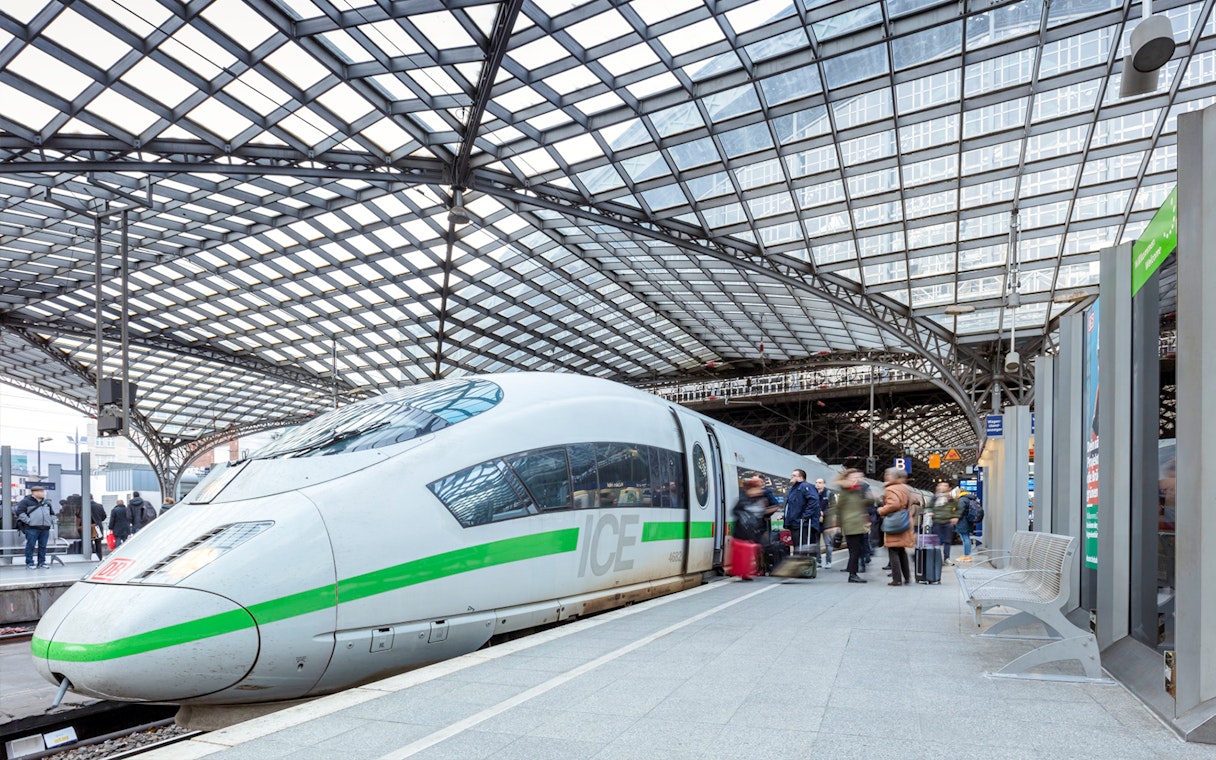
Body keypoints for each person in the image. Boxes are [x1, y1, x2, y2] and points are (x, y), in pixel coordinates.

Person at [826, 469, 871, 583]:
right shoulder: (845, 492)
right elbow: (838, 508)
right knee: (855, 551)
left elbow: (862, 504)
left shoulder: (856, 491)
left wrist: (870, 497)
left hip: (857, 524)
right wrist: (834, 525)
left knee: (857, 550)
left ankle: (852, 573)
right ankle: (852, 575)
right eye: (855, 477)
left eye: (859, 477)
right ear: (848, 479)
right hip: (851, 525)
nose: (858, 479)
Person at [876, 467, 917, 586]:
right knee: (901, 550)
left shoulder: (890, 489)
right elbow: (912, 501)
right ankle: (907, 577)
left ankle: (897, 579)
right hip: (904, 521)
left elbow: (894, 504)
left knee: (893, 550)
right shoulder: (905, 488)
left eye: (888, 474)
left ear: (894, 477)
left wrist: (881, 510)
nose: (886, 476)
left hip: (895, 523)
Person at [732, 476, 770, 581]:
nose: (760, 491)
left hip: (753, 531)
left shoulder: (759, 500)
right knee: (743, 553)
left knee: (754, 551)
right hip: (742, 532)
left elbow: (760, 516)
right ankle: (744, 572)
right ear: (750, 489)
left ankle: (750, 571)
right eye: (757, 489)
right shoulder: (743, 500)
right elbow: (735, 512)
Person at [14, 485, 56, 569]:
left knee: (43, 546)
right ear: (34, 492)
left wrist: (50, 521)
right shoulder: (25, 501)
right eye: (41, 492)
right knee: (30, 546)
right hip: (32, 528)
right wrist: (29, 521)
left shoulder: (46, 502)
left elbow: (52, 514)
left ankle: (42, 562)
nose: (43, 493)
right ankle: (29, 562)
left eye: (43, 491)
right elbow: (20, 512)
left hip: (45, 528)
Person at [926, 481, 960, 565]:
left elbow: (958, 508)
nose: (942, 487)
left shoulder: (951, 499)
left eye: (945, 486)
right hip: (936, 522)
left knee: (947, 541)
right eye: (940, 485)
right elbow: (928, 507)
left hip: (948, 522)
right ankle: (936, 558)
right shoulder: (934, 498)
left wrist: (955, 516)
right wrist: (929, 511)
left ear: (949, 488)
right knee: (935, 541)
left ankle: (946, 558)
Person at [783, 469, 815, 557]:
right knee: (797, 546)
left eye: (794, 475)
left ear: (801, 477)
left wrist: (806, 515)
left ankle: (802, 563)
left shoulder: (804, 486)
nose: (791, 477)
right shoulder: (793, 489)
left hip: (800, 523)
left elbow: (813, 501)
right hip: (794, 522)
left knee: (800, 547)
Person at [808, 477, 834, 568]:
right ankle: (818, 561)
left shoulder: (829, 494)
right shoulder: (812, 494)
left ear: (824, 484)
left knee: (828, 543)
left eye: (820, 482)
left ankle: (828, 561)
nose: (817, 484)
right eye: (816, 482)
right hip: (816, 522)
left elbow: (833, 508)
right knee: (816, 544)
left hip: (827, 523)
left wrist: (823, 513)